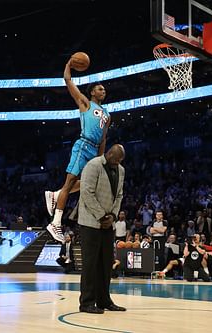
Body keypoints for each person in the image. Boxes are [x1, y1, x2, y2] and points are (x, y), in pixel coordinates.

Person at [44, 58, 110, 243]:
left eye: (104, 89)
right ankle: (55, 223)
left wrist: (101, 159)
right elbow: (68, 80)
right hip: (83, 145)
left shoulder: (107, 115)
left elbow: (103, 138)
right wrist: (68, 65)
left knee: (88, 183)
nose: (103, 90)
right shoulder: (85, 103)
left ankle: (55, 195)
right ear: (92, 92)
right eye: (99, 88)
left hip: (94, 151)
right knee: (70, 182)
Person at [78, 144, 126, 314]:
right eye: (116, 159)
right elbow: (86, 192)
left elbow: (119, 195)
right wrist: (101, 216)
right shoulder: (93, 165)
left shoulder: (120, 170)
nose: (118, 163)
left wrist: (113, 216)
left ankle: (104, 300)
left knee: (106, 264)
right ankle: (86, 303)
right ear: (110, 154)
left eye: (121, 160)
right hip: (90, 221)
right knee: (90, 264)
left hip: (108, 223)